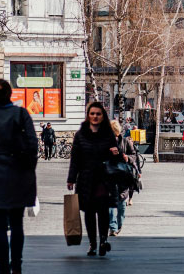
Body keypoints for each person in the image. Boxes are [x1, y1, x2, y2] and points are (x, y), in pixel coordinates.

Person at [0, 79, 38, 274]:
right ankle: (17, 265)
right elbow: (33, 144)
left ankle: (3, 268)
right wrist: (29, 169)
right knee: (17, 224)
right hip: (18, 173)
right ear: (11, 94)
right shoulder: (21, 113)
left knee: (0, 227)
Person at [67, 102, 125, 257]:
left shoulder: (108, 134)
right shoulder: (80, 135)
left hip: (103, 179)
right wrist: (71, 179)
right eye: (92, 113)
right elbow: (75, 159)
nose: (95, 116)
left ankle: (103, 240)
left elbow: (117, 158)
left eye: (98, 114)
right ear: (88, 115)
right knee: (89, 212)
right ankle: (92, 243)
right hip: (86, 179)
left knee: (103, 211)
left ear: (102, 116)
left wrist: (116, 153)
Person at [109, 120, 139, 237]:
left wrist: (127, 158)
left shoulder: (126, 142)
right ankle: (113, 227)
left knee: (121, 206)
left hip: (123, 178)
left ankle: (119, 226)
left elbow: (134, 155)